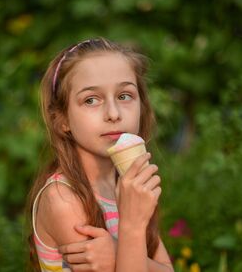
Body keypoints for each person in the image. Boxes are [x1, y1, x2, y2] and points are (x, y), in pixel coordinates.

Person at [27, 38, 174, 272]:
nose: (113, 114)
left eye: (124, 96)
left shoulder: (125, 183)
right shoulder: (63, 199)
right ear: (62, 119)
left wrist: (117, 251)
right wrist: (132, 228)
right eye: (91, 100)